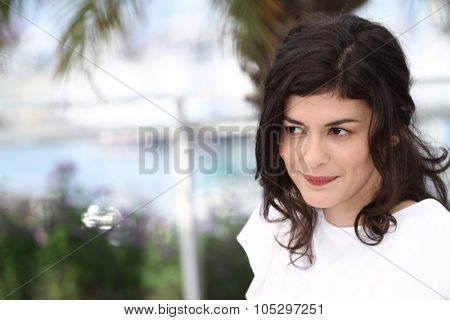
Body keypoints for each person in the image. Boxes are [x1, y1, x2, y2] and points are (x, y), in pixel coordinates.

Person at [237, 12, 450, 299]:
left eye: (338, 131)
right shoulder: (281, 227)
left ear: (392, 131)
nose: (312, 158)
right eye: (294, 129)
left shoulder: (433, 244)